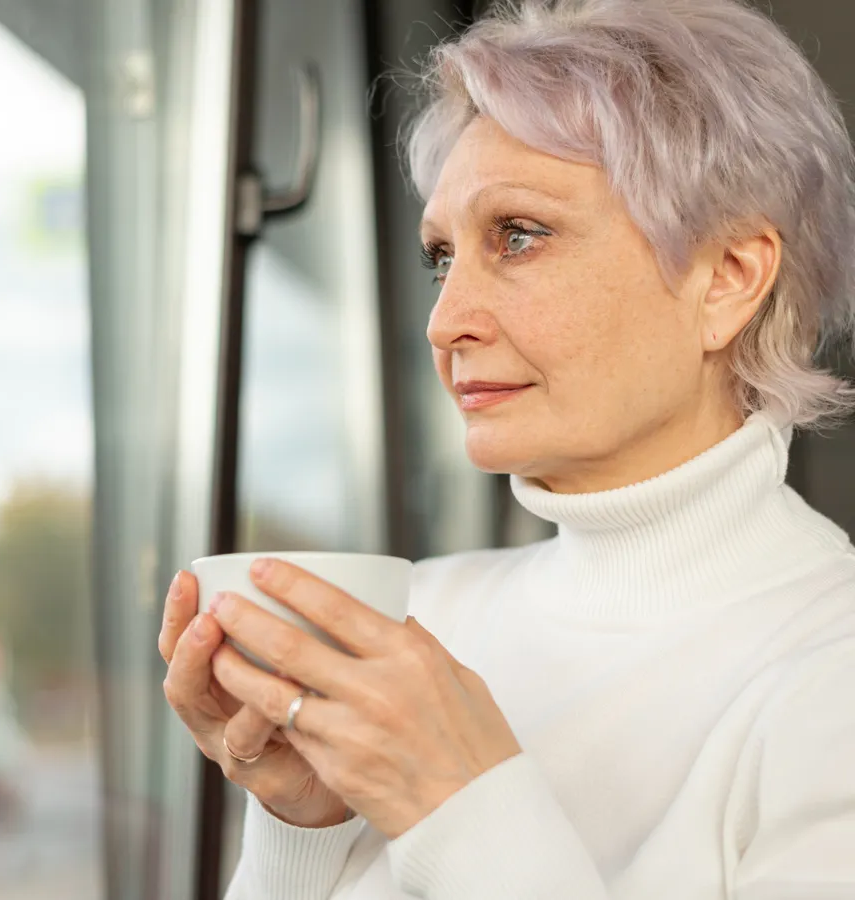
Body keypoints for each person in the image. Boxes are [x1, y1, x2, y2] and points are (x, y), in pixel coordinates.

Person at [160, 0, 855, 896]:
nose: (445, 321)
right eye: (440, 257)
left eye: (518, 237)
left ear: (728, 279)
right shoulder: (417, 621)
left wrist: (456, 801)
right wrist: (303, 826)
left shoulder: (830, 667)